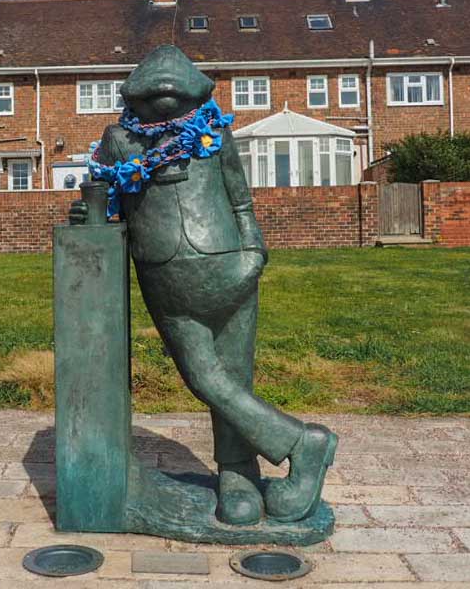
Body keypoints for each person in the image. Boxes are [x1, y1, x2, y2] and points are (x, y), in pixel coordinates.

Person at [85, 44, 337, 525]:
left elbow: (240, 199)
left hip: (230, 265)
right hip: (165, 275)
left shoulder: (213, 132)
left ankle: (238, 477)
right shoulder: (120, 141)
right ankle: (302, 444)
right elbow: (105, 195)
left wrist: (254, 252)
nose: (166, 101)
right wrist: (87, 210)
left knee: (234, 373)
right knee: (204, 377)